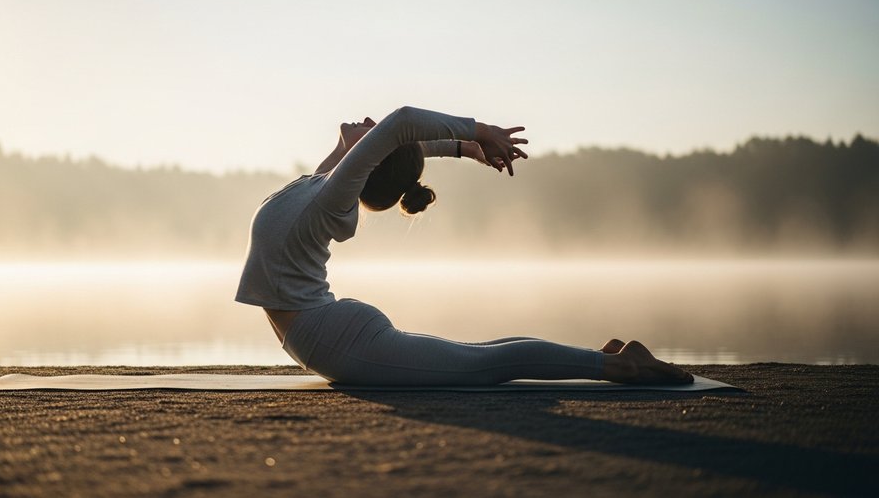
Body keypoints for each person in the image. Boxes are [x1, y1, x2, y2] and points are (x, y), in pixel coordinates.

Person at [235, 106, 693, 386]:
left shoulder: (330, 199)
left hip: (333, 339)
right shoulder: (325, 188)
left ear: (369, 162)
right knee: (478, 356)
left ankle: (620, 366)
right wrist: (462, 147)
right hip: (328, 336)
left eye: (374, 138)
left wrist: (477, 134)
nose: (370, 122)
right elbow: (395, 140)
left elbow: (401, 127)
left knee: (483, 363)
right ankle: (603, 358)